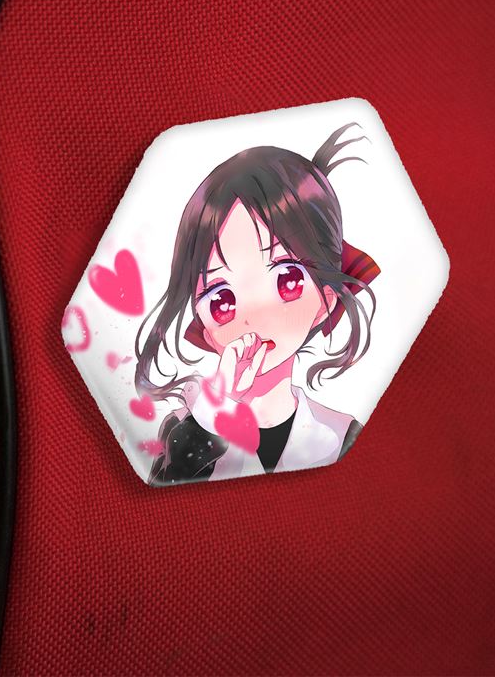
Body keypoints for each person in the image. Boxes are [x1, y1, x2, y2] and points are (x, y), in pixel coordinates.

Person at [133, 122, 380, 484]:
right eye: (222, 299)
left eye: (286, 279)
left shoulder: (343, 436)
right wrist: (217, 410)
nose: (254, 314)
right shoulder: (186, 431)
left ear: (325, 301)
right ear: (205, 326)